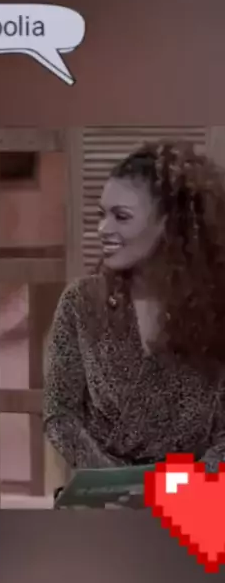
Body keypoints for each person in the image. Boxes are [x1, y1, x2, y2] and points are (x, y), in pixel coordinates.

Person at [44, 140, 225, 487]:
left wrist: (179, 490)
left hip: (197, 497)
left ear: (170, 224)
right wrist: (119, 485)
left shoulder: (217, 311)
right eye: (102, 214)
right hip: (103, 495)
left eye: (121, 217)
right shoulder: (82, 303)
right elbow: (60, 415)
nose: (103, 229)